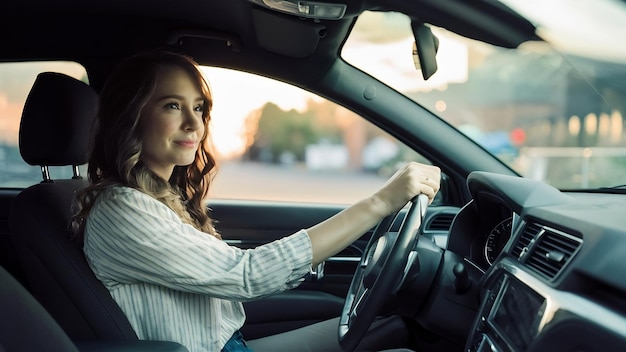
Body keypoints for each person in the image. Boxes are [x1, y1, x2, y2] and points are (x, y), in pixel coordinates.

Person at [72, 51, 441, 352]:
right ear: (131, 117)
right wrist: (380, 202)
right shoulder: (122, 209)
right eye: (172, 106)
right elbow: (245, 275)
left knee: (394, 329)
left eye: (199, 108)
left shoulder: (155, 196)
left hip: (227, 343)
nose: (194, 124)